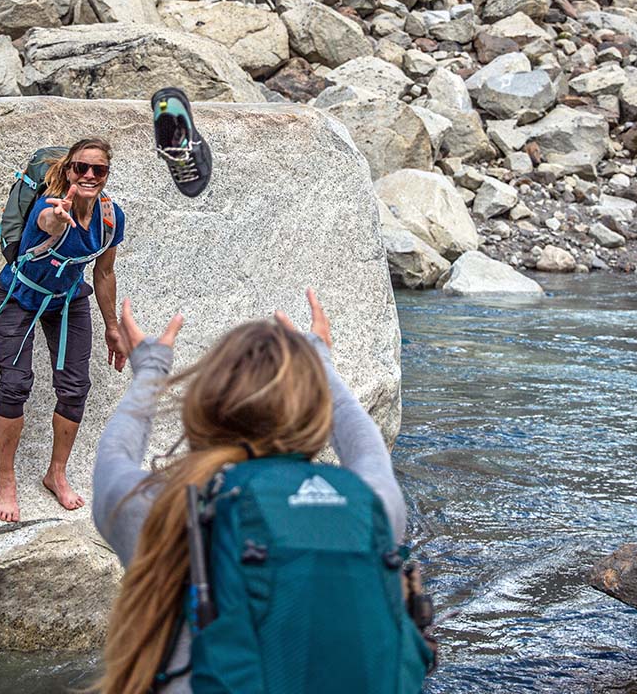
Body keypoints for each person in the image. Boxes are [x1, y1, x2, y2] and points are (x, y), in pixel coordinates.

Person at [91, 290, 419, 693]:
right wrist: (320, 363)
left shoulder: (169, 509)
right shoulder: (373, 506)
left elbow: (114, 456)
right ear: (314, 415)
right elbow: (366, 445)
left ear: (204, 408)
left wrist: (150, 369)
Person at [0, 138, 127, 522]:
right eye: (81, 167)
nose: (89, 175)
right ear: (68, 170)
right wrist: (58, 217)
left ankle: (56, 474)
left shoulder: (110, 217)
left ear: (106, 174)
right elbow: (46, 222)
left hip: (66, 301)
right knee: (15, 384)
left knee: (75, 387)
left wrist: (112, 327)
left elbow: (104, 273)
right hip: (18, 296)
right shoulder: (49, 206)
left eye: (98, 169)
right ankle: (6, 481)